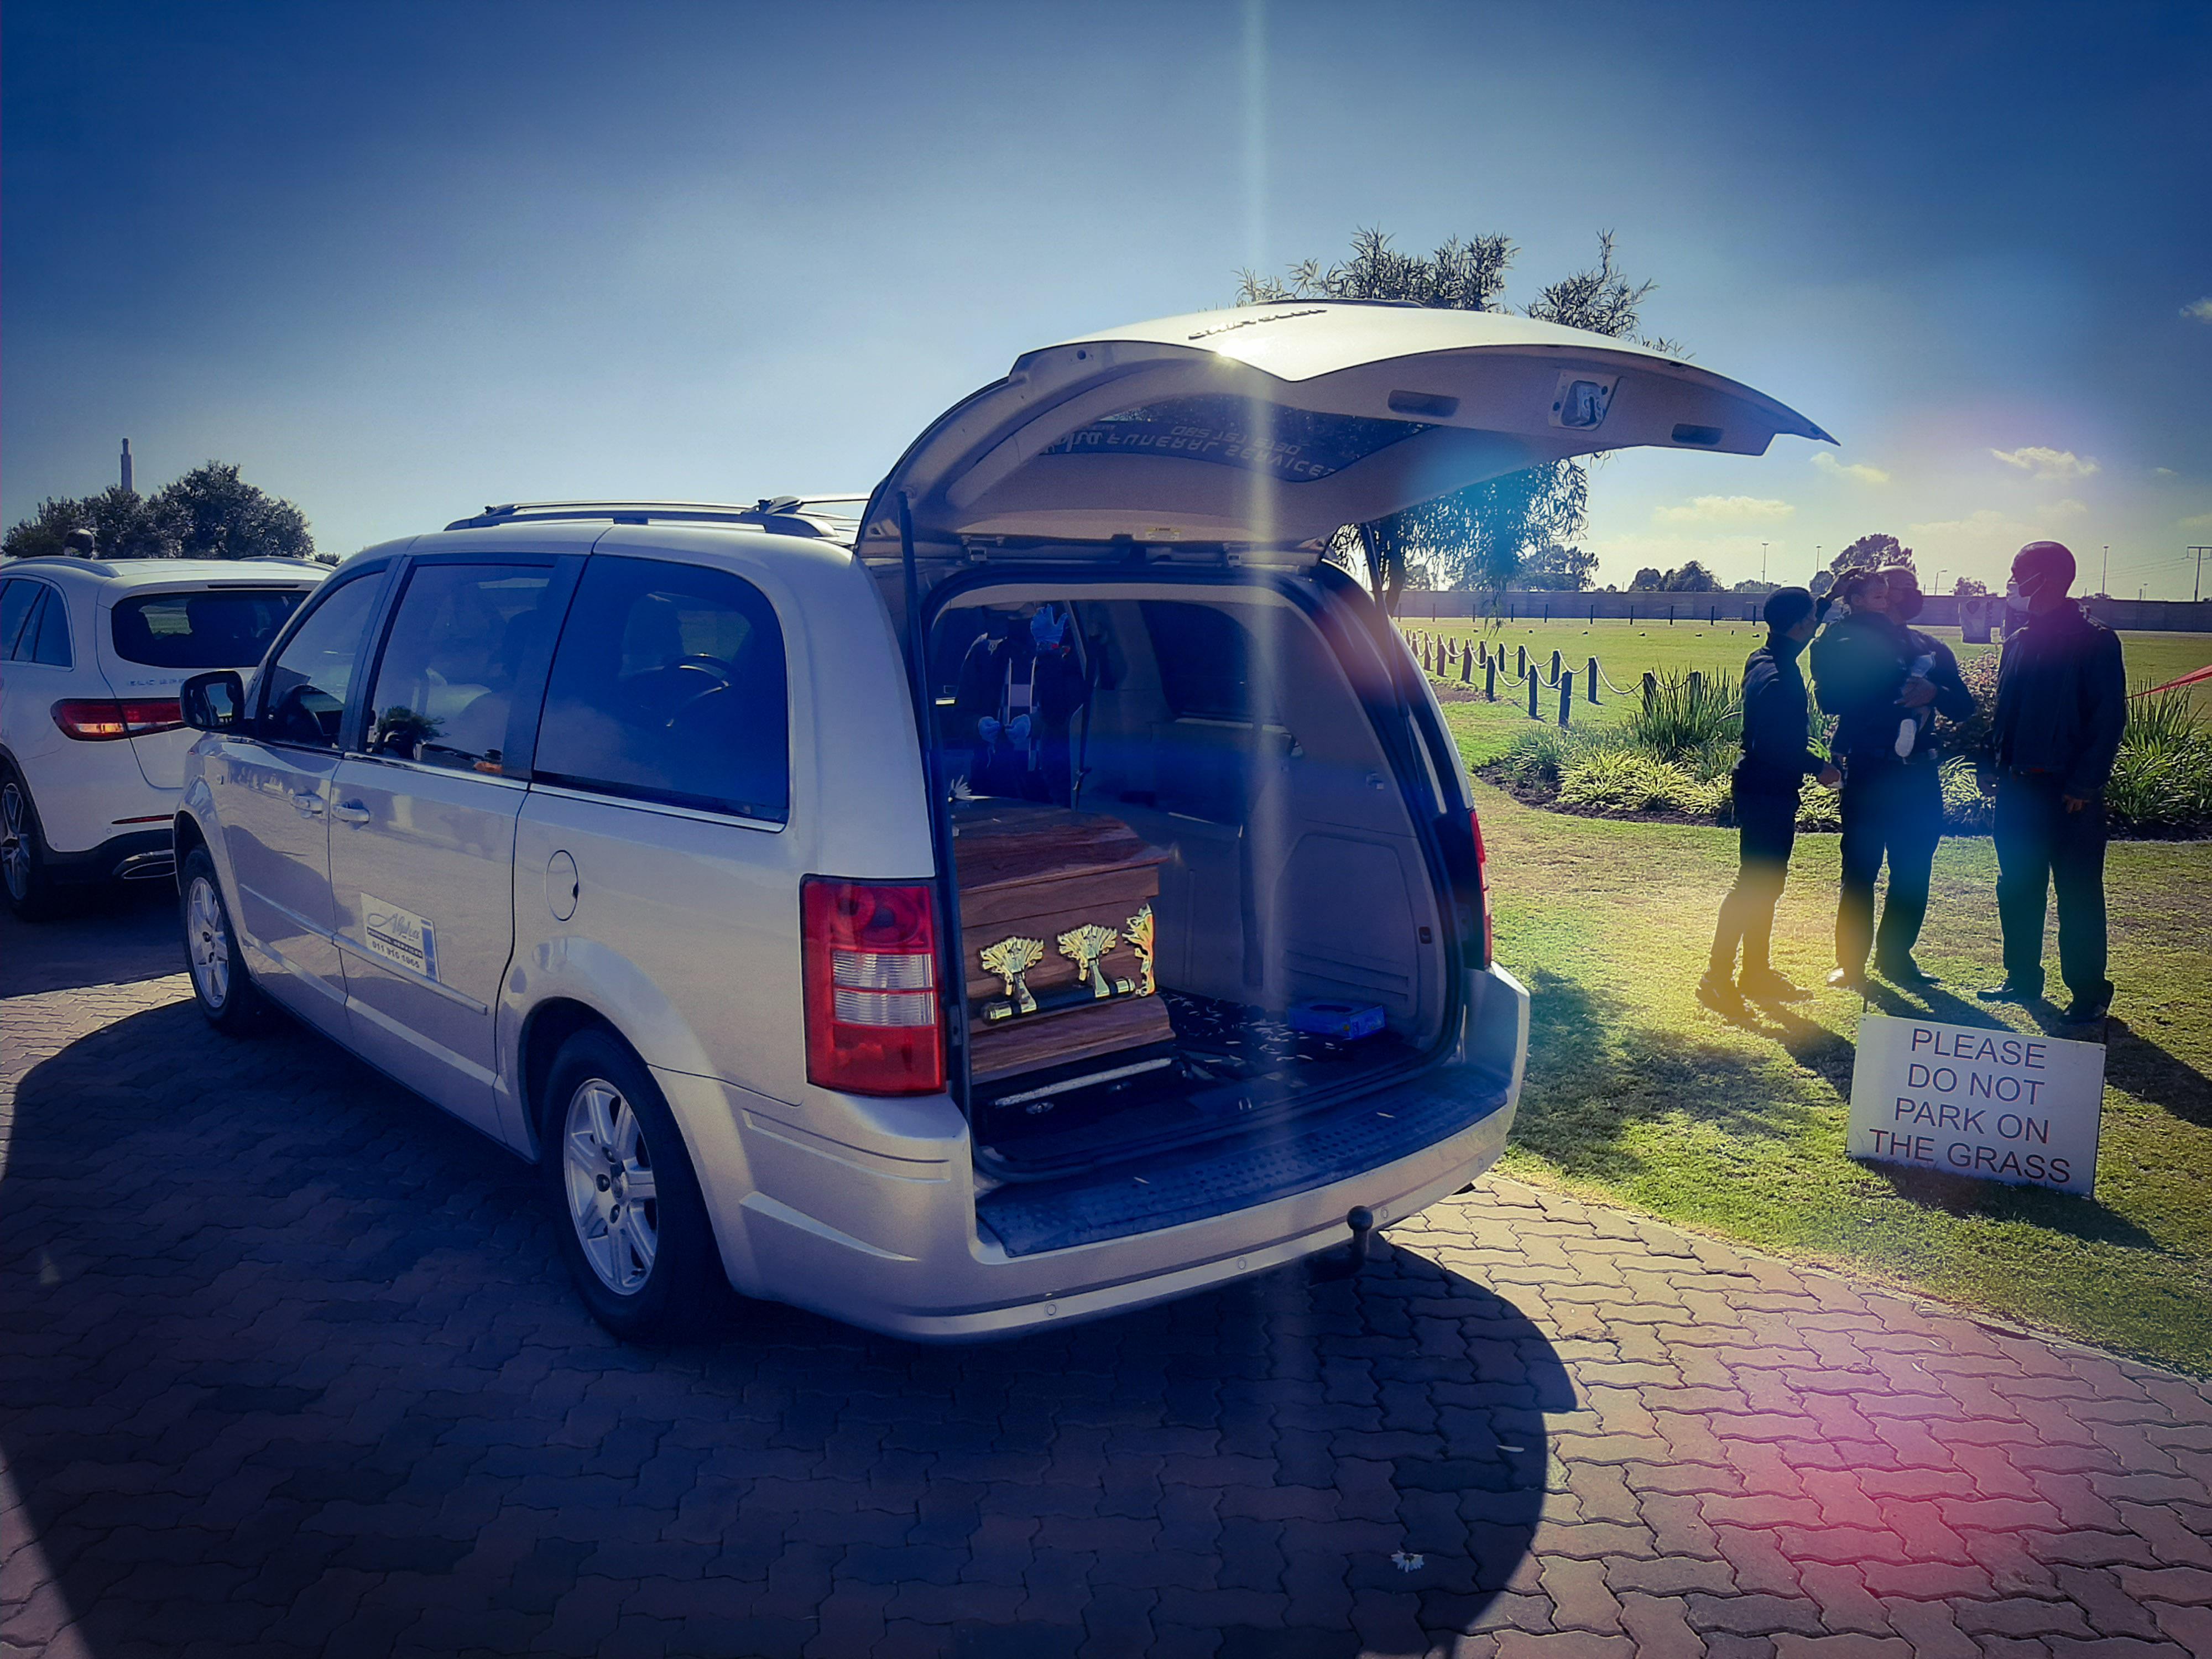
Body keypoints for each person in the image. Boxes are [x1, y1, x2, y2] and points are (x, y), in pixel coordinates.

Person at [1979, 541, 2126, 1025]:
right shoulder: (2019, 639)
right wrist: (1991, 763)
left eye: (2017, 572)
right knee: (2017, 888)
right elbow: (2005, 711)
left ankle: (2088, 992)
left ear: (2045, 579)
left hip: (2068, 795)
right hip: (2017, 790)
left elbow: (2107, 720)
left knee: (2077, 894)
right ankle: (2021, 977)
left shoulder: (2095, 640)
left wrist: (2084, 785)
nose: (2011, 582)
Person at [1810, 566, 1974, 989]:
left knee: (1913, 869)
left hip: (1918, 774)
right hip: (1868, 770)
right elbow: (1829, 698)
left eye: (1913, 587)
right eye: (1902, 588)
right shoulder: (1846, 642)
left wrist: (1934, 693)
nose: (1911, 595)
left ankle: (1897, 958)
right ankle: (1851, 964)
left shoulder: (1930, 648)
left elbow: (1964, 707)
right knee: (1860, 869)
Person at [1699, 587, 1842, 1011]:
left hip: (1763, 789)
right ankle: (1716, 978)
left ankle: (1755, 973)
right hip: (1767, 791)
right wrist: (1820, 767)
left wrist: (1829, 598)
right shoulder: (1780, 681)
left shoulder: (1763, 658)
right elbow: (1774, 747)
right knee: (1753, 886)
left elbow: (1800, 629)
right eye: (1812, 619)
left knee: (1767, 886)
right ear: (1800, 625)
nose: (1815, 625)